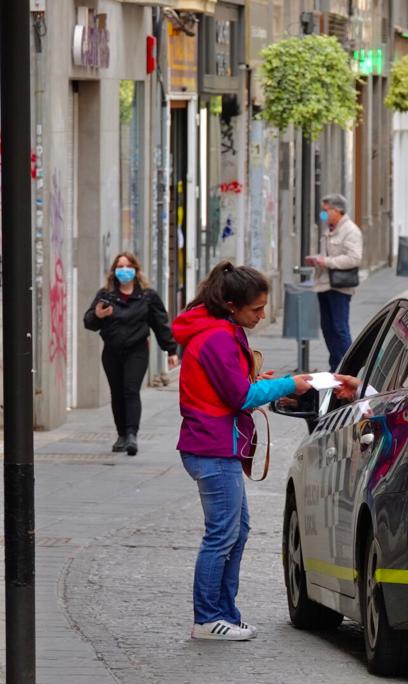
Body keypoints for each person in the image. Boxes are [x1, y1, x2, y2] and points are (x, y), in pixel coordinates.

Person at [172, 261, 358, 641]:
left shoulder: (218, 331)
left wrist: (267, 383)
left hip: (214, 443)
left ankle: (224, 613)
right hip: (212, 446)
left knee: (236, 531)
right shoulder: (219, 338)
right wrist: (289, 384)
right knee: (223, 534)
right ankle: (208, 618)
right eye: (256, 309)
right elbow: (239, 396)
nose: (261, 315)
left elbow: (232, 387)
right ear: (230, 305)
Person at [83, 252, 178, 456]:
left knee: (130, 390)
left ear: (135, 269)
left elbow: (160, 324)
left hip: (137, 350)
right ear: (114, 271)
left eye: (127, 266)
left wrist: (171, 350)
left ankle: (132, 434)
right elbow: (89, 322)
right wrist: (98, 315)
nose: (123, 270)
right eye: (119, 267)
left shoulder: (147, 296)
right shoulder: (106, 295)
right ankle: (121, 435)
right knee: (116, 393)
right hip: (112, 351)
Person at [306, 193, 362, 371]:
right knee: (327, 328)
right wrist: (317, 259)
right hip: (324, 284)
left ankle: (348, 368)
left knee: (339, 328)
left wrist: (326, 262)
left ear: (337, 210)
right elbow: (328, 255)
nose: (323, 215)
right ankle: (335, 365)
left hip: (340, 286)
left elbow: (354, 258)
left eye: (325, 211)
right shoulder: (329, 229)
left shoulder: (350, 230)